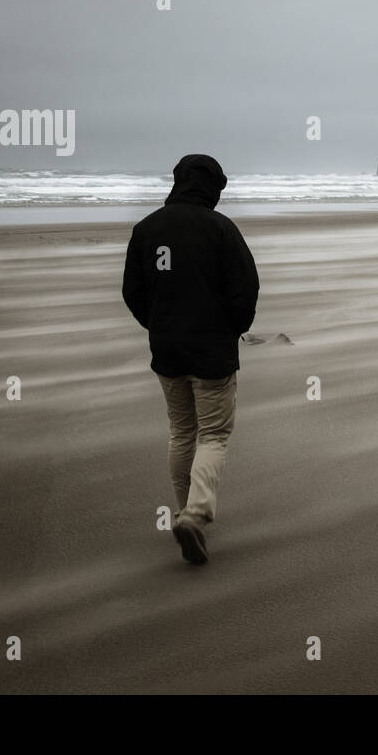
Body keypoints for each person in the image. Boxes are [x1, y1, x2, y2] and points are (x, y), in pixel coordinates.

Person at [122, 154, 259, 565]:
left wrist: (157, 324)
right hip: (211, 352)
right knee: (213, 436)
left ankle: (185, 513)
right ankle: (195, 516)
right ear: (213, 187)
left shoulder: (146, 229)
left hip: (166, 350)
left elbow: (133, 291)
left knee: (182, 432)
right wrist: (231, 330)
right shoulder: (220, 229)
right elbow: (245, 290)